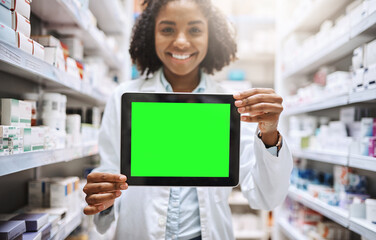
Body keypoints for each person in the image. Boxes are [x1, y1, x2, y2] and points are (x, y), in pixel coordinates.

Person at [82, 0, 293, 239]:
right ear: (151, 34)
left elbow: (266, 196)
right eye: (167, 29)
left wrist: (269, 134)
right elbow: (111, 178)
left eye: (195, 30)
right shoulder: (123, 98)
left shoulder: (231, 105)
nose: (181, 41)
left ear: (210, 36)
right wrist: (104, 197)